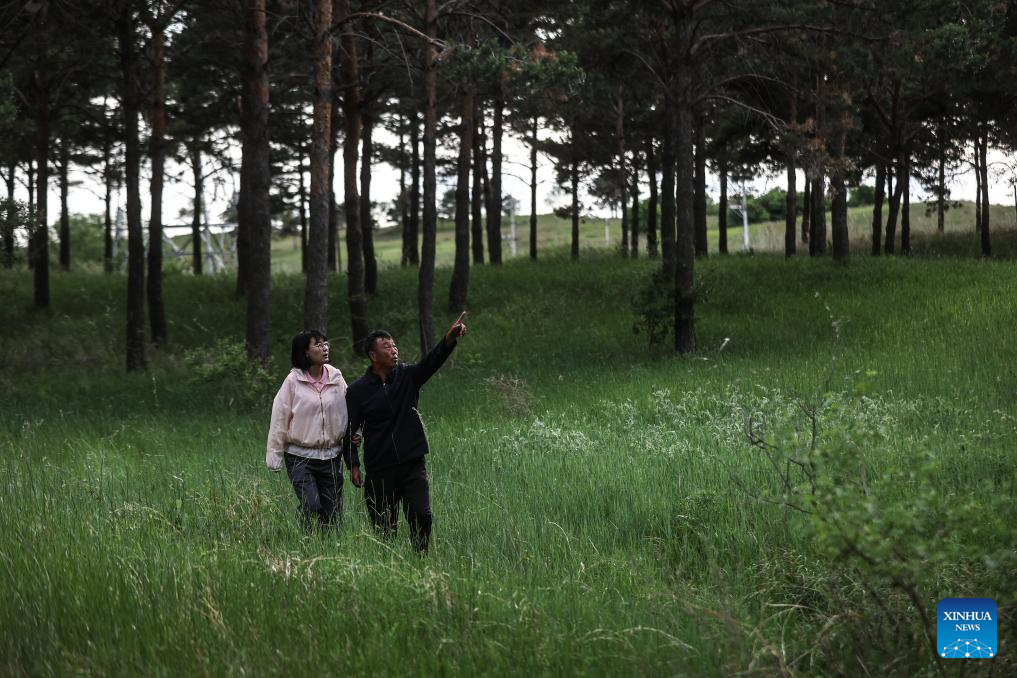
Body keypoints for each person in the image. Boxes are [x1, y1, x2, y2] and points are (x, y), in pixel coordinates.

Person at [345, 312, 468, 552]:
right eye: (387, 347)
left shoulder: (408, 376)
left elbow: (431, 362)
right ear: (373, 356)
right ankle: (390, 565)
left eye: (394, 346)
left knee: (422, 516)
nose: (394, 350)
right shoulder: (357, 391)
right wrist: (353, 464)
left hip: (412, 463)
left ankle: (420, 559)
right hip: (380, 468)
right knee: (384, 529)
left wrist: (449, 339)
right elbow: (349, 428)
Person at [266, 330, 356, 532]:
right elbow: (279, 418)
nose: (325, 348)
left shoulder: (336, 377)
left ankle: (326, 546)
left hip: (331, 456)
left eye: (326, 343)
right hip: (300, 457)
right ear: (305, 352)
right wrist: (274, 457)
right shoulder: (293, 381)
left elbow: (350, 408)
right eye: (318, 344)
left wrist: (356, 432)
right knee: (312, 505)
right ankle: (306, 535)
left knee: (333, 515)